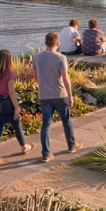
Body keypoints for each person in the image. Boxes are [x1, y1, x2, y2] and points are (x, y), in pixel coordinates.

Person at [32, 32, 75, 161]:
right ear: (58, 43)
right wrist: (70, 96)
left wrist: (44, 85)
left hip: (44, 95)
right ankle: (71, 146)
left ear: (45, 43)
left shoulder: (36, 57)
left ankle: (46, 153)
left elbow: (35, 77)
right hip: (60, 94)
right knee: (66, 121)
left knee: (46, 124)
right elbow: (65, 78)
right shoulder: (61, 57)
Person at [0, 49, 28, 165]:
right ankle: (24, 147)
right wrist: (16, 108)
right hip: (8, 106)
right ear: (7, 60)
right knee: (17, 125)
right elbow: (11, 92)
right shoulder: (9, 73)